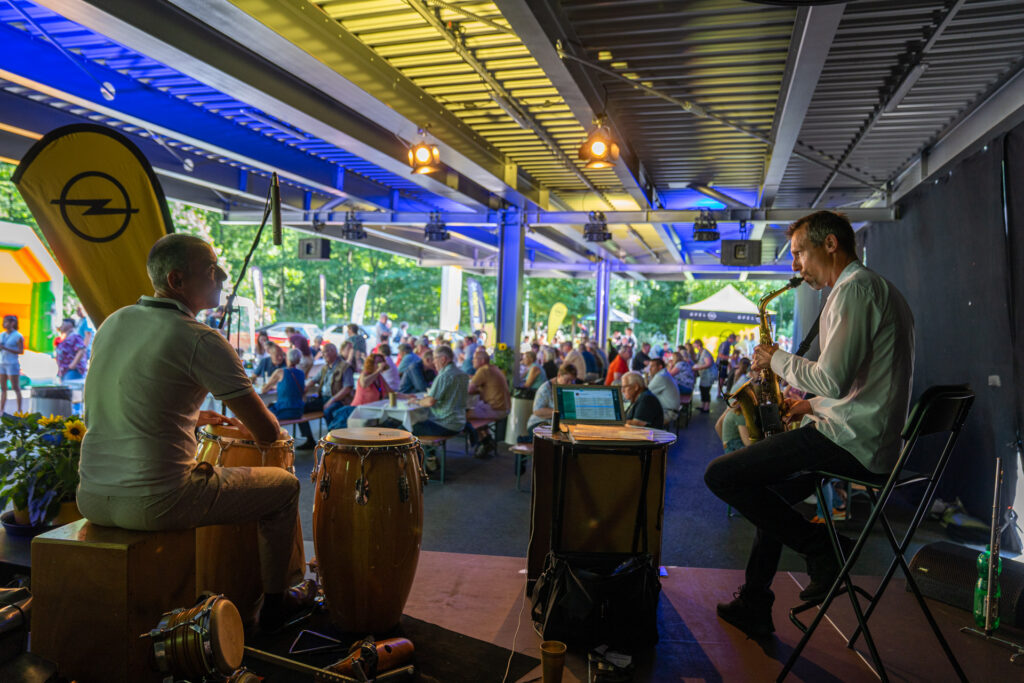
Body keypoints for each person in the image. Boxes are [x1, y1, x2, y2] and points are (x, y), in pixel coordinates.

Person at [77, 233, 308, 633]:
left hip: (91, 494)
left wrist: (196, 416)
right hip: (158, 500)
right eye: (211, 269)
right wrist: (255, 424)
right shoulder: (199, 338)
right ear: (178, 281)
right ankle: (275, 604)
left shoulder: (116, 321)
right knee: (285, 486)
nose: (221, 276)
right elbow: (268, 433)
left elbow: (127, 399)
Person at [704, 210, 914, 638]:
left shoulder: (854, 291)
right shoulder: (874, 288)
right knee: (774, 499)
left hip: (850, 442)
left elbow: (834, 379)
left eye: (799, 252)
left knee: (720, 476)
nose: (794, 265)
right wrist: (808, 405)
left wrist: (774, 360)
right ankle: (755, 602)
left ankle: (823, 550)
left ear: (831, 244)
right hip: (865, 437)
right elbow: (858, 383)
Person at [407, 346, 468, 469]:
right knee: (422, 424)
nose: (434, 362)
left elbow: (430, 401)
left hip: (445, 424)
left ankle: (416, 467)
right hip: (460, 422)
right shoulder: (462, 374)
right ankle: (431, 458)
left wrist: (417, 402)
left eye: (435, 358)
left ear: (444, 359)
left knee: (407, 429)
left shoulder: (444, 375)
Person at [295, 342, 349, 449]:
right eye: (323, 352)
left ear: (334, 352)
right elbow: (313, 380)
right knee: (300, 408)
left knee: (329, 411)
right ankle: (309, 439)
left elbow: (347, 388)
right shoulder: (325, 368)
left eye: (326, 352)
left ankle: (334, 441)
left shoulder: (345, 367)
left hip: (338, 400)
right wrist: (302, 390)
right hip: (323, 399)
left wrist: (331, 401)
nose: (324, 355)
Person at [467, 347, 511, 455]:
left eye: (475, 359)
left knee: (462, 414)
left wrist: (478, 388)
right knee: (473, 411)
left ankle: (483, 441)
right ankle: (487, 439)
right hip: (505, 408)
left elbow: (469, 389)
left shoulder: (483, 370)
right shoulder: (494, 368)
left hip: (496, 409)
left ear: (482, 361)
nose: (472, 361)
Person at [526, 363, 578, 433]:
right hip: (540, 422)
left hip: (560, 425)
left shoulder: (568, 388)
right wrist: (561, 412)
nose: (570, 384)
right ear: (559, 375)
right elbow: (537, 410)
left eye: (572, 381)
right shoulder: (546, 388)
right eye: (567, 380)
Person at [262, 349, 306, 420]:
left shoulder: (280, 372)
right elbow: (292, 387)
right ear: (298, 360)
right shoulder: (301, 373)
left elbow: (264, 390)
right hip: (299, 411)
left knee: (261, 414)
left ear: (287, 358)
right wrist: (276, 387)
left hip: (284, 411)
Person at [646, 357, 681, 425]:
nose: (650, 369)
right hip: (670, 410)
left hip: (668, 413)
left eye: (652, 366)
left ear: (660, 367)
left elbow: (646, 393)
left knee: (639, 418)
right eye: (650, 366)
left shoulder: (661, 376)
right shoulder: (664, 374)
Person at [1, 315, 25, 414]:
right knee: (3, 388)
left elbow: (21, 351)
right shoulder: (1, 335)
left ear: (12, 323)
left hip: (12, 364)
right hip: (2, 363)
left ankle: (19, 410)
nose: (4, 324)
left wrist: (6, 348)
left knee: (15, 387)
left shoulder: (18, 336)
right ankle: (1, 409)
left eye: (7, 322)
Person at [55, 318, 87, 382]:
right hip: (64, 371)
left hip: (72, 371)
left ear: (69, 325)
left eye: (63, 324)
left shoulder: (74, 336)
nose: (61, 326)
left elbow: (82, 350)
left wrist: (73, 365)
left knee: (71, 390)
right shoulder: (66, 338)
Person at [692, 339, 715, 412]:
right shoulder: (700, 352)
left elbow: (708, 364)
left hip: (708, 374)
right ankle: (703, 405)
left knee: (706, 390)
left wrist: (698, 367)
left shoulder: (705, 353)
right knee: (702, 388)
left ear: (698, 344)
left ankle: (706, 407)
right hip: (704, 375)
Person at [716, 333, 737, 398]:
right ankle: (719, 394)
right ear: (731, 339)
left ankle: (720, 393)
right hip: (721, 364)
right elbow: (720, 355)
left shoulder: (727, 344)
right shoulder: (725, 344)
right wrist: (731, 357)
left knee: (722, 379)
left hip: (724, 363)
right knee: (721, 379)